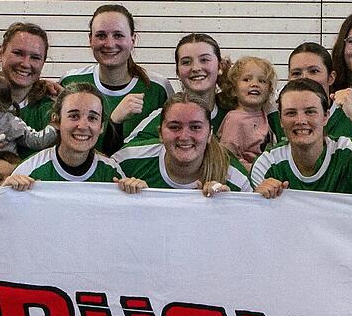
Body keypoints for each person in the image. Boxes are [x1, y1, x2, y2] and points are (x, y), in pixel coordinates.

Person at [252, 78, 352, 197]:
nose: (300, 120)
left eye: (310, 112)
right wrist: (258, 196)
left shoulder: (347, 151)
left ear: (326, 116)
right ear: (281, 120)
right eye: (291, 113)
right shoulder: (267, 164)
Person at [61, 4, 172, 153]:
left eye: (118, 35)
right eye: (101, 36)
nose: (109, 44)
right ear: (90, 39)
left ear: (132, 39)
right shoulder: (71, 82)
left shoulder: (158, 88)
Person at [113, 92, 251, 195]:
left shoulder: (236, 179)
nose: (184, 137)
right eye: (174, 127)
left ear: (210, 134)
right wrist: (129, 194)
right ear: (160, 133)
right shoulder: (128, 160)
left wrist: (227, 205)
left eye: (195, 127)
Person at [4, 83, 124, 187]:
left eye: (92, 118)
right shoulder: (28, 171)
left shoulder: (112, 173)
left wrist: (133, 192)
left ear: (101, 126)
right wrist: (6, 190)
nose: (82, 126)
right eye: (74, 116)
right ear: (56, 121)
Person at [123, 33, 227, 145]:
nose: (196, 68)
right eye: (186, 62)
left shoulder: (233, 114)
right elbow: (126, 151)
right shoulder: (165, 116)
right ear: (178, 72)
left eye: (204, 60)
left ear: (220, 66)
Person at [215, 56, 277, 166]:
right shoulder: (235, 120)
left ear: (269, 90)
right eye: (246, 79)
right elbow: (228, 156)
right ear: (234, 90)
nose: (254, 84)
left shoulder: (266, 114)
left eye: (262, 81)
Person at [0, 22, 58, 133]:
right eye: (18, 53)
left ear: (43, 62)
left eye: (35, 57)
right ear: (1, 53)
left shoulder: (50, 110)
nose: (25, 64)